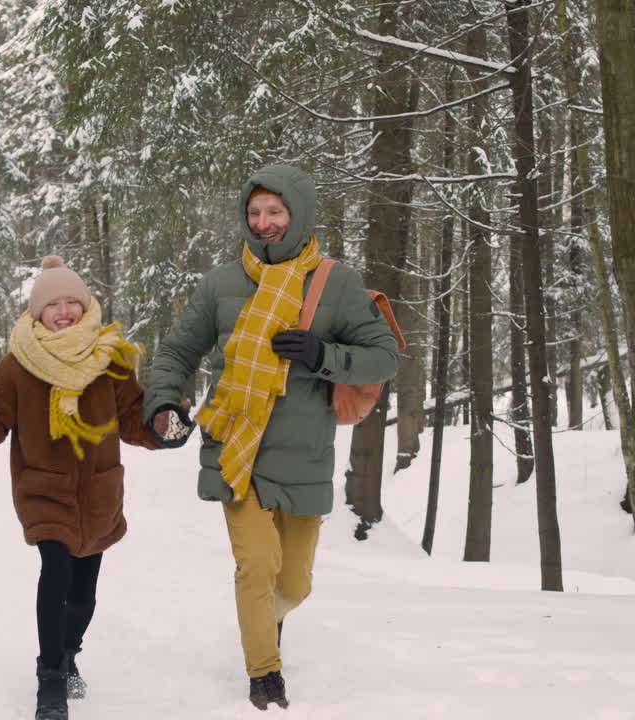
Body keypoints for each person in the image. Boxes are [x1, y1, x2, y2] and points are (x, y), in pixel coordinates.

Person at [143, 165, 399, 710]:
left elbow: (385, 355)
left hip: (305, 455)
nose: (263, 223)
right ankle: (264, 672)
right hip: (237, 446)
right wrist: (165, 400)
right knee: (256, 566)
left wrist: (322, 355)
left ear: (298, 214)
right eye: (254, 213)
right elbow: (176, 352)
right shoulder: (220, 282)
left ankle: (268, 619)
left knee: (295, 584)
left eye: (275, 212)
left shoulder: (338, 282)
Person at [0, 255, 183, 720]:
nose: (63, 311)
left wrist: (163, 428)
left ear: (84, 305)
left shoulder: (111, 360)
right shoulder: (19, 365)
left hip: (98, 491)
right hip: (44, 490)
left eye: (71, 302)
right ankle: (51, 681)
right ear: (37, 312)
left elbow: (132, 418)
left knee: (83, 596)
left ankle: (70, 651)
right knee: (55, 574)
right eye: (52, 304)